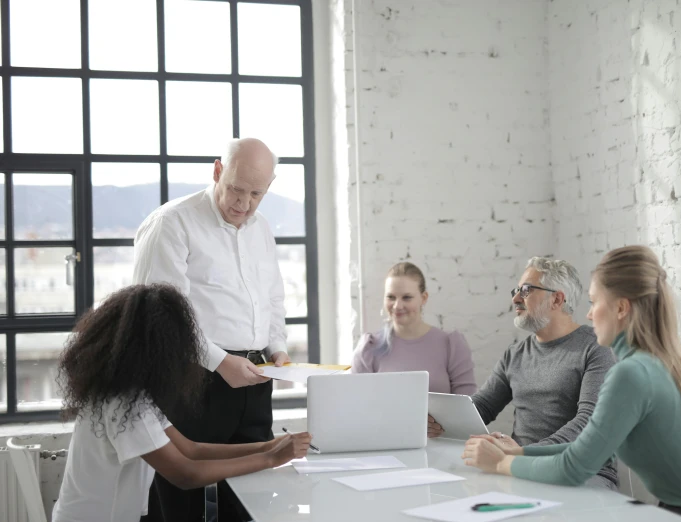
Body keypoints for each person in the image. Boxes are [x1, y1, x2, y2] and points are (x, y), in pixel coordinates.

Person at [462, 246, 681, 522]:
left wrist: (500, 463)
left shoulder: (632, 373)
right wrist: (517, 452)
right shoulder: (652, 363)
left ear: (621, 308)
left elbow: (574, 467)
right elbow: (583, 450)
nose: (588, 314)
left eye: (593, 302)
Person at [52, 284, 312, 522]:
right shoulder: (124, 404)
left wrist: (271, 445)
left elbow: (191, 449)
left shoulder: (126, 393)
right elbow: (186, 474)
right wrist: (271, 458)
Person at [132, 138, 290, 521]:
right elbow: (161, 315)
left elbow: (271, 298)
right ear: (218, 171)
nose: (244, 203)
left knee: (251, 495)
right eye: (236, 188)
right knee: (179, 502)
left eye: (257, 194)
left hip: (254, 380)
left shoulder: (262, 228)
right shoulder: (172, 222)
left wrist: (278, 349)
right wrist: (220, 362)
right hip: (191, 379)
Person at [429, 256, 618, 490]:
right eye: (516, 290)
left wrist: (521, 453)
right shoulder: (515, 354)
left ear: (557, 299)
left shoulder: (595, 348)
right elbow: (482, 406)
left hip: (584, 470)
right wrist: (439, 421)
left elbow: (588, 422)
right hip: (518, 466)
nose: (515, 298)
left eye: (526, 290)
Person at [352, 261, 477, 395]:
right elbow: (357, 404)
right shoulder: (369, 348)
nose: (397, 306)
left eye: (407, 297)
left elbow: (466, 405)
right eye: (391, 297)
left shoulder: (451, 345)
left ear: (423, 298)